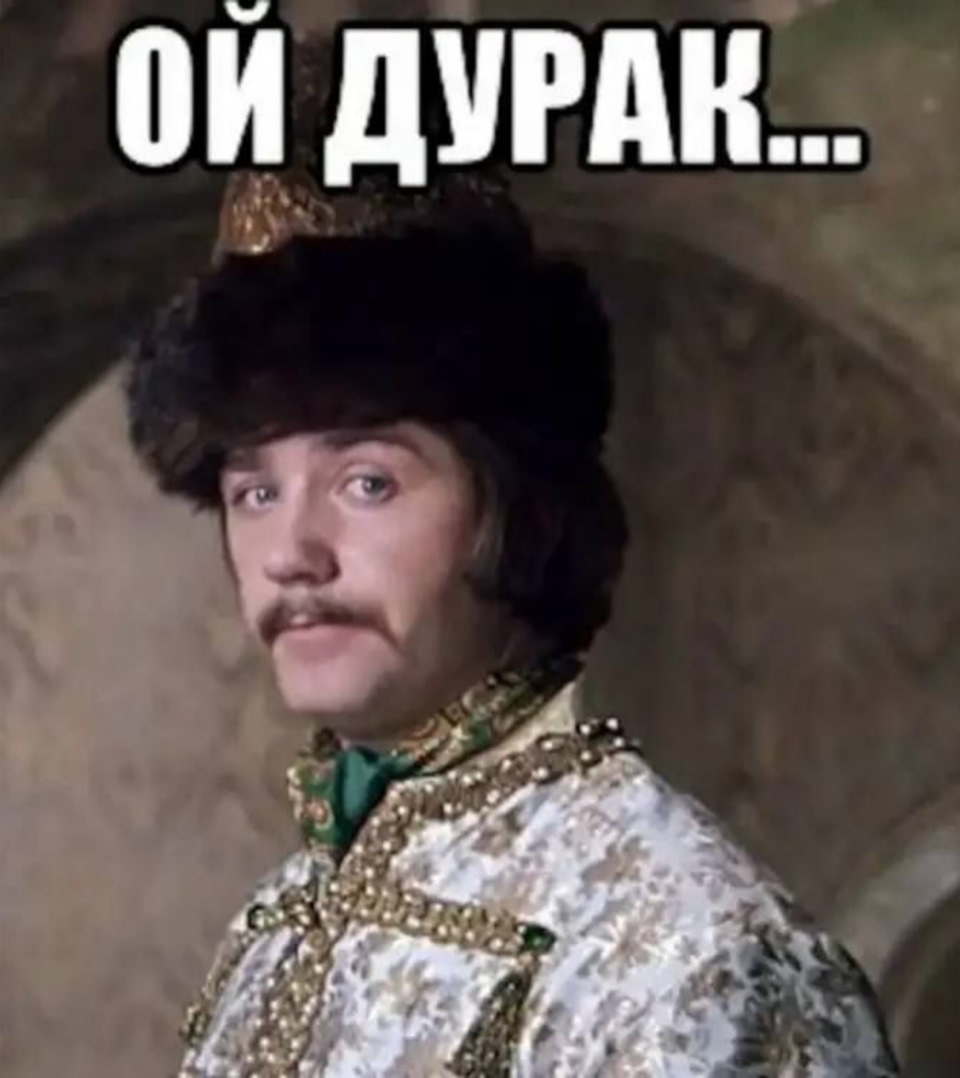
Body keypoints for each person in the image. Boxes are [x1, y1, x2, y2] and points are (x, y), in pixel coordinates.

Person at [122, 38, 900, 1078]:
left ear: (517, 506)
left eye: (368, 483)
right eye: (254, 492)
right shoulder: (278, 925)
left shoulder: (699, 952)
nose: (292, 555)